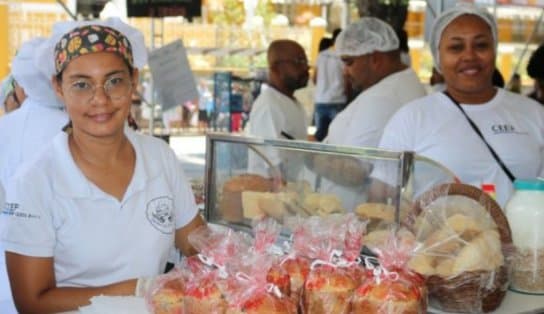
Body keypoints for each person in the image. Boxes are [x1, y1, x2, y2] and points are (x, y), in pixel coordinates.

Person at [1, 22, 206, 313]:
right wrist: (135, 290)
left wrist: (246, 263)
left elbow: (197, 245)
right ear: (58, 87)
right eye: (81, 84)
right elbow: (32, 301)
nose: (100, 99)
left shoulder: (159, 157)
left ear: (133, 80)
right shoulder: (35, 182)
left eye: (114, 81)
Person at [375, 4, 544, 207]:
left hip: (526, 238)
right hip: (438, 239)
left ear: (494, 50)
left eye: (481, 45)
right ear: (438, 57)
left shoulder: (533, 113)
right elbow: (380, 198)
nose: (469, 56)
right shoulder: (412, 118)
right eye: (456, 47)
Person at [312, 17, 426, 211]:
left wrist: (310, 157)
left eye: (349, 62)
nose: (345, 72)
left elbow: (355, 170)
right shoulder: (402, 83)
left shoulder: (383, 97)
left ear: (375, 59)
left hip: (351, 219)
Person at [245, 39, 310, 180]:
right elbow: (274, 167)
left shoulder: (293, 103)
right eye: (299, 61)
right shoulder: (268, 105)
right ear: (275, 68)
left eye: (306, 61)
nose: (306, 68)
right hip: (269, 196)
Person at [312, 28, 348, 141]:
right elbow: (346, 78)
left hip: (320, 100)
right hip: (338, 100)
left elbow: (314, 78)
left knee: (320, 136)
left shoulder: (321, 55)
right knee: (336, 137)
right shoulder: (343, 57)